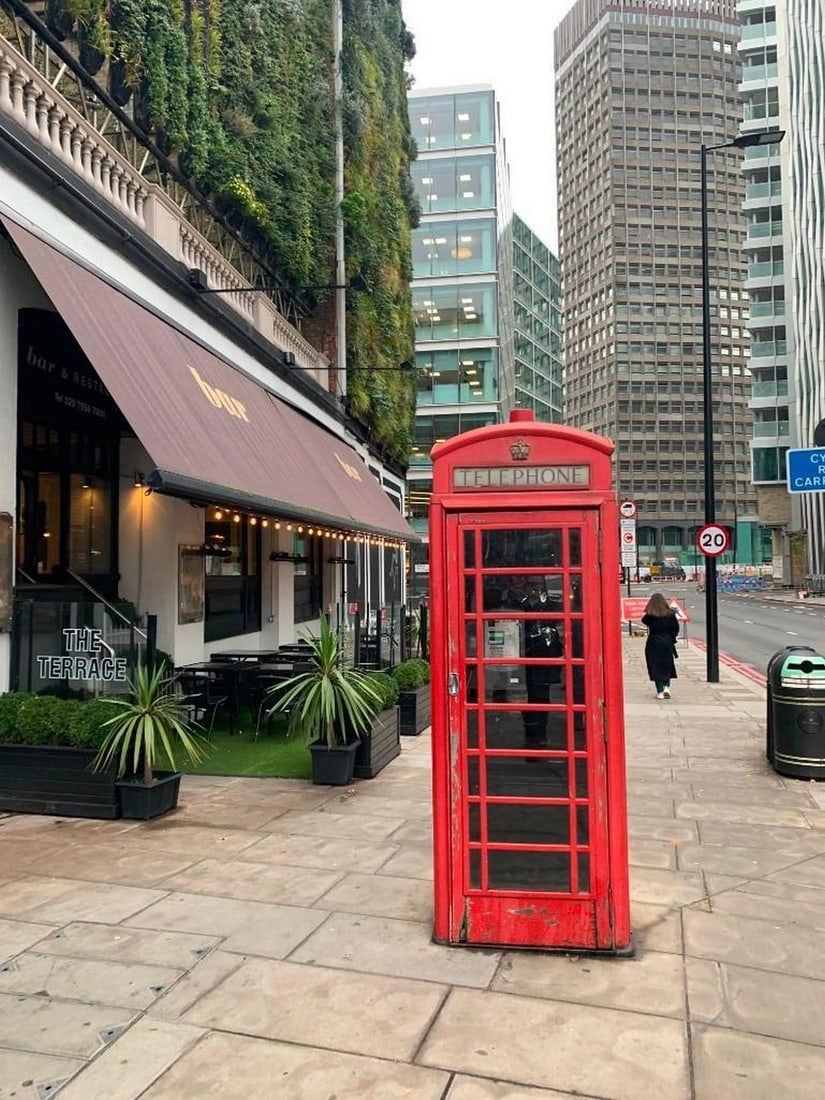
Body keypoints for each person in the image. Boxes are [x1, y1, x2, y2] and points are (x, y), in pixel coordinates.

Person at [642, 591, 679, 699]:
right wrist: (672, 639)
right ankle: (666, 686)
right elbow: (675, 628)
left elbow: (644, 620)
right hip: (666, 641)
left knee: (655, 665)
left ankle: (660, 691)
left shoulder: (650, 615)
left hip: (653, 641)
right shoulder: (670, 614)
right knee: (667, 665)